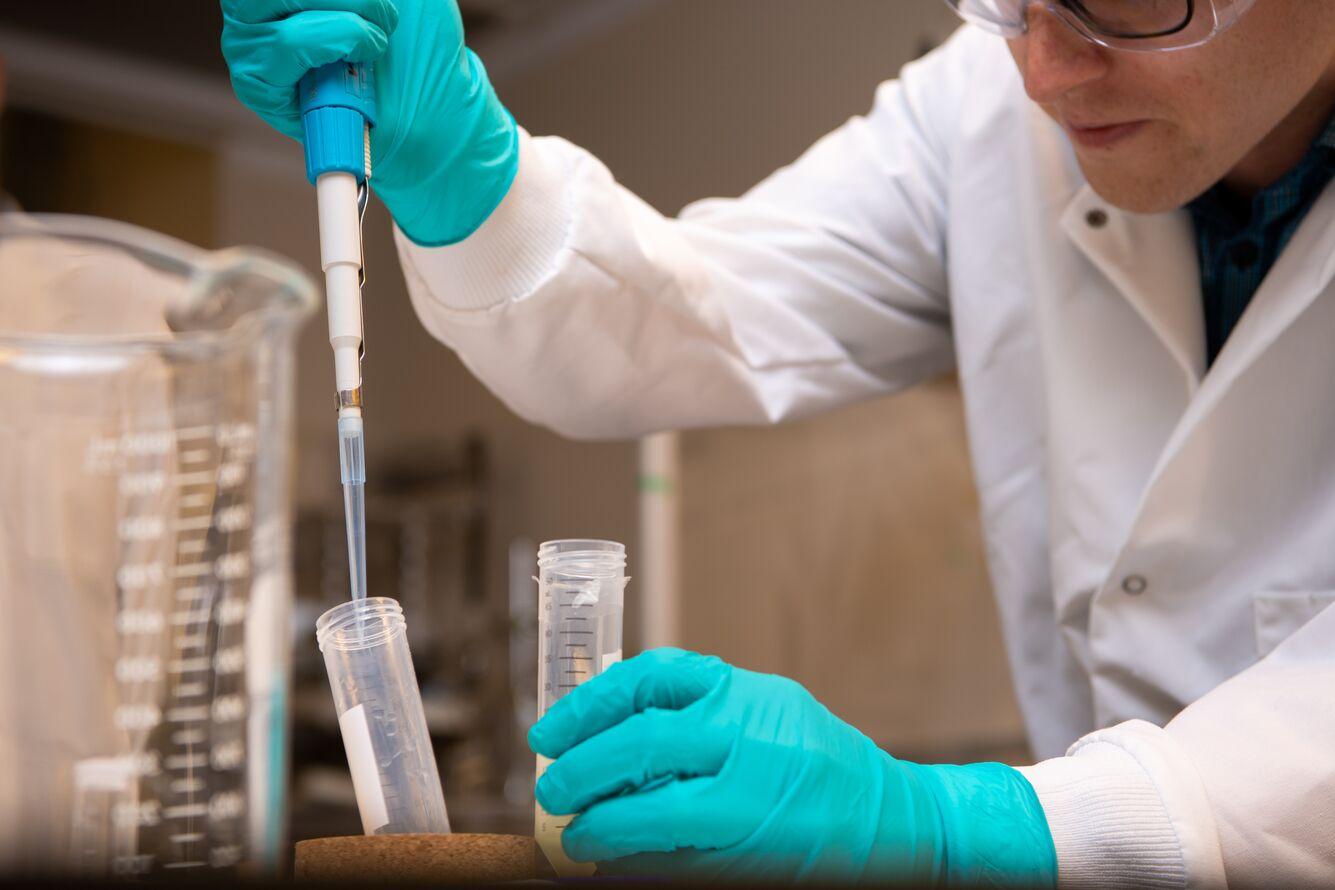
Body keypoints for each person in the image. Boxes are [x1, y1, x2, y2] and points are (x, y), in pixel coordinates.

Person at [222, 0, 1335, 884]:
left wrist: (965, 827)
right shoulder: (982, 106)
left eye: (1133, 1)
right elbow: (703, 314)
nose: (1043, 70)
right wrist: (464, 168)